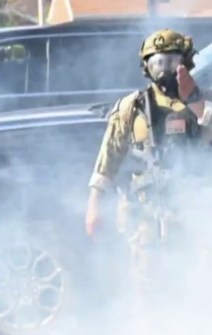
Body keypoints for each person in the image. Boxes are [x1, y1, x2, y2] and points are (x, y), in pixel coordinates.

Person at [85, 29, 212, 301]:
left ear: (186, 63)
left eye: (172, 62)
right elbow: (109, 156)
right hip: (146, 214)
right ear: (146, 67)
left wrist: (194, 100)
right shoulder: (131, 107)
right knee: (148, 286)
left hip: (196, 213)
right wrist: (94, 204)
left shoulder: (203, 102)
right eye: (158, 63)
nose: (164, 70)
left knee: (199, 285)